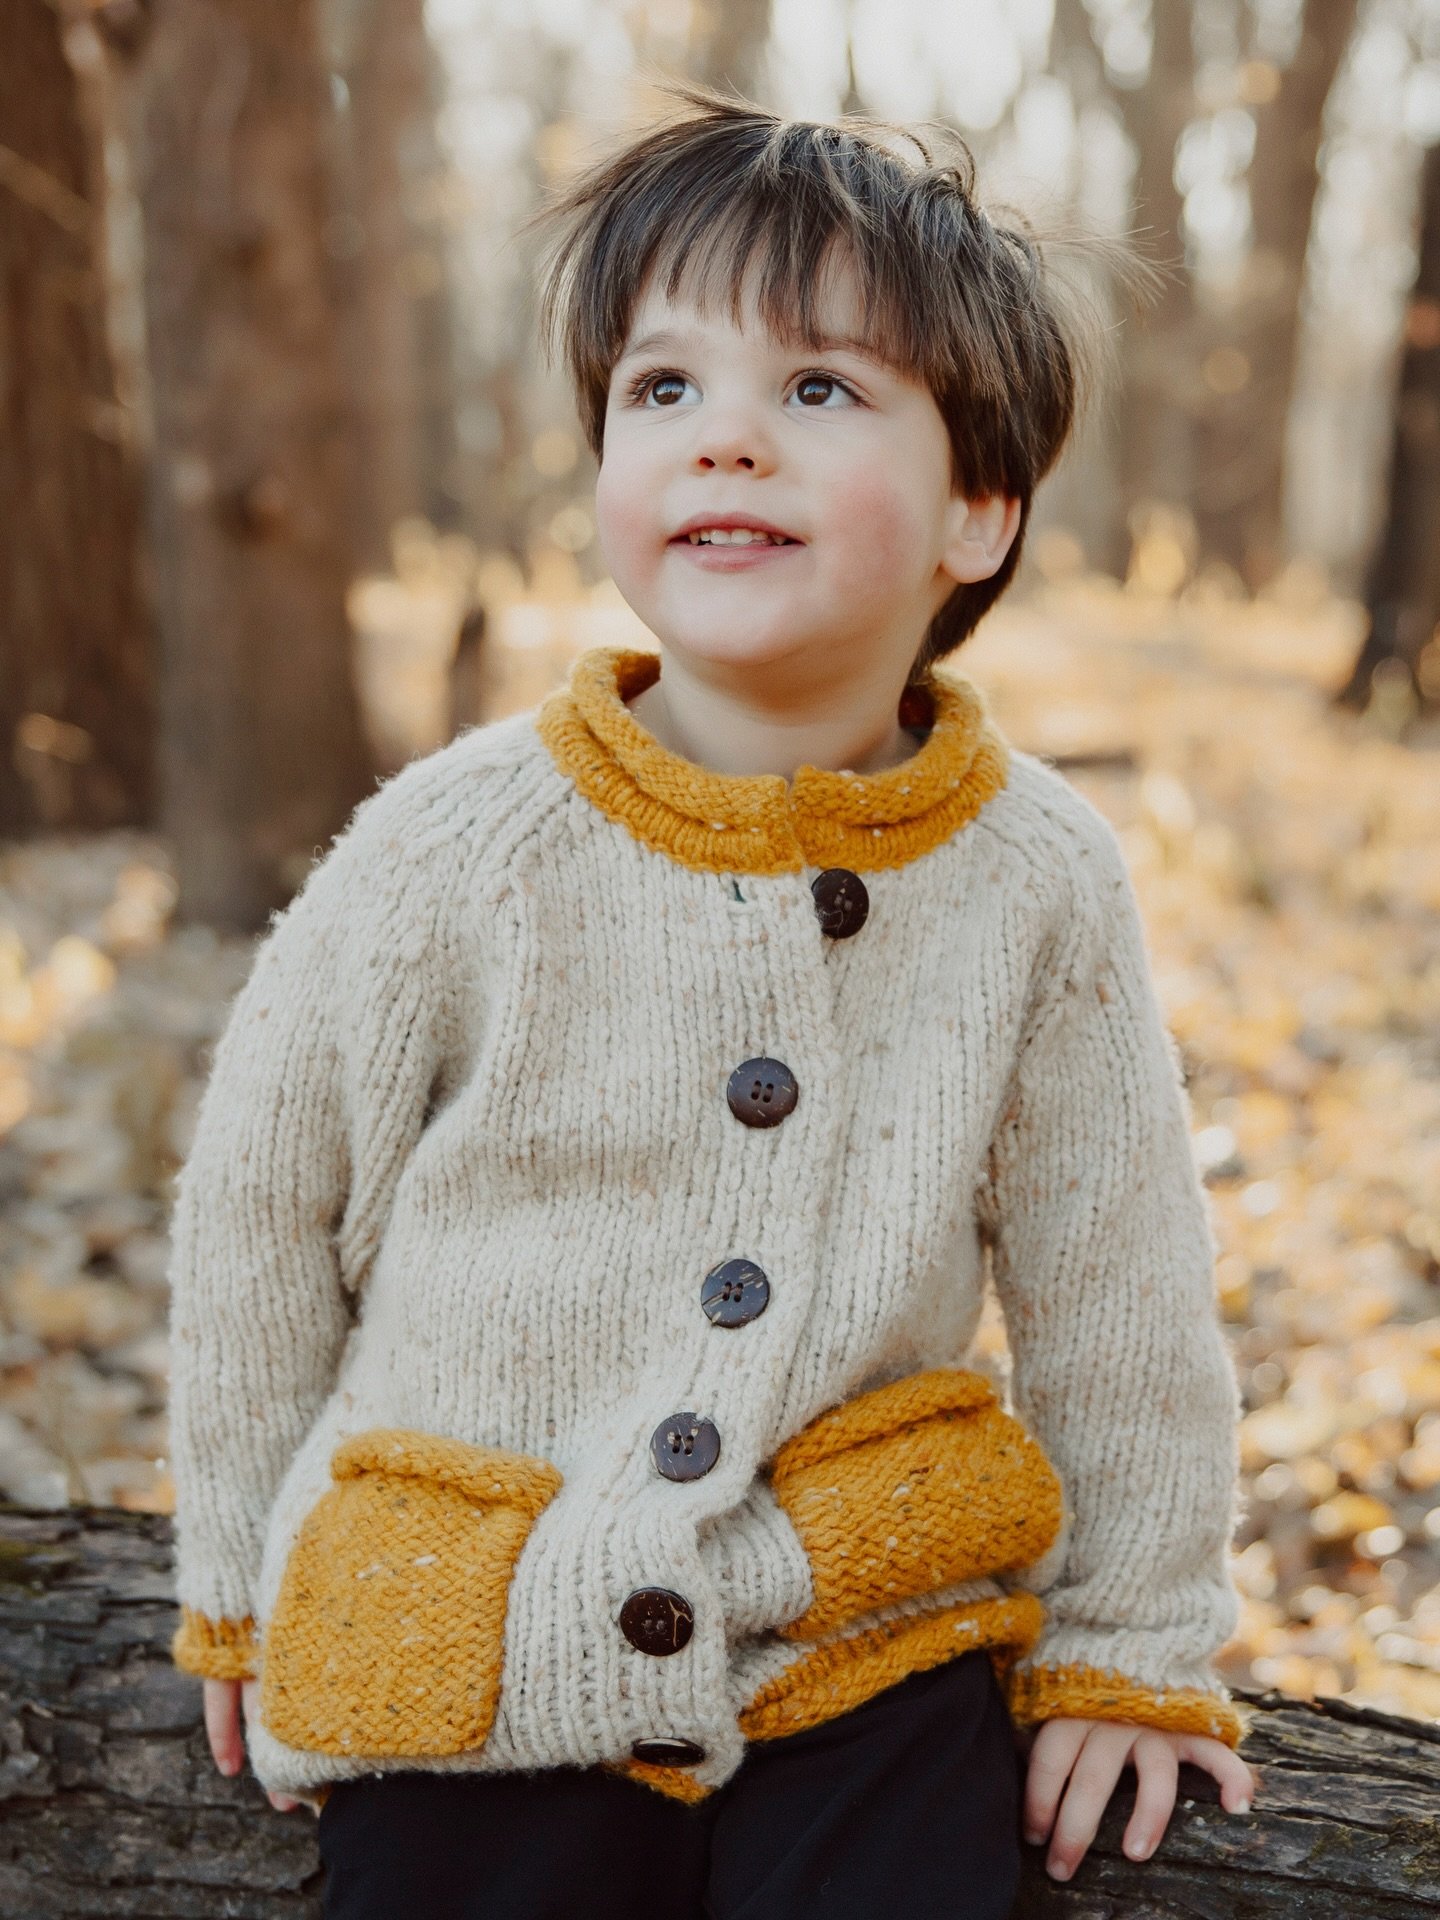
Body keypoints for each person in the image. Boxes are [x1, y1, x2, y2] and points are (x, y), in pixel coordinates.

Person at [171, 82, 1261, 1919]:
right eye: (663, 389)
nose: (726, 442)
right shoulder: (457, 842)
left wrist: (1132, 1643)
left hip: (858, 1611)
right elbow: (266, 1205)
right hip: (475, 1614)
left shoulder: (1036, 875)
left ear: (979, 511)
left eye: (818, 391)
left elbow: (1121, 1280)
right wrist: (234, 1573)